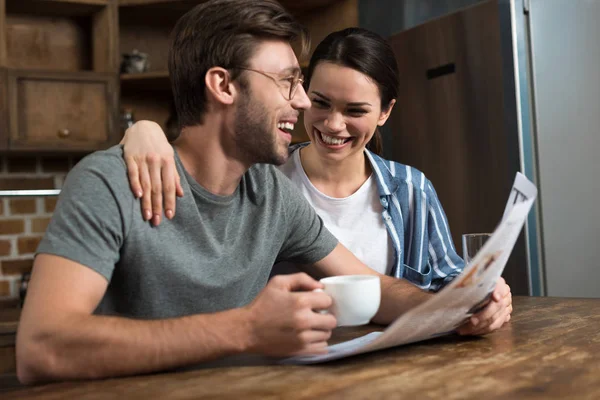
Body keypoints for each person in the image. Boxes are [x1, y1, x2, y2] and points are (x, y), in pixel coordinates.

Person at [16, 0, 483, 385]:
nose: (302, 103)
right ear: (222, 85)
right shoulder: (109, 183)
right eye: (287, 82)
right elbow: (42, 348)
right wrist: (247, 329)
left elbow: (373, 288)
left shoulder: (271, 195)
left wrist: (458, 310)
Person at [121, 27, 512, 331]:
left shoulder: (411, 189)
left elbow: (443, 282)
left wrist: (482, 298)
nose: (332, 124)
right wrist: (144, 130)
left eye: (355, 110)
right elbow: (200, 159)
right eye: (321, 102)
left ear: (385, 112)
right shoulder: (263, 180)